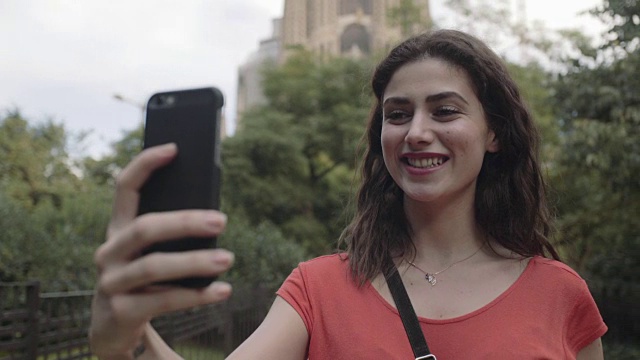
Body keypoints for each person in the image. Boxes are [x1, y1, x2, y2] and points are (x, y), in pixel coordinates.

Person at [89, 29, 607, 359]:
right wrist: (125, 342)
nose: (416, 131)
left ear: (494, 133)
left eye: (445, 110)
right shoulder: (318, 287)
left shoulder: (561, 295)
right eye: (397, 114)